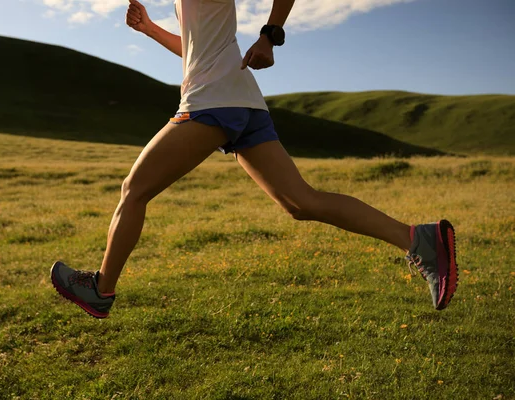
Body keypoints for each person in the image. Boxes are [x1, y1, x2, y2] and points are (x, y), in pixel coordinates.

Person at [50, 0, 458, 318]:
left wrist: (270, 36)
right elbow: (195, 51)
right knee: (302, 202)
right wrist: (150, 28)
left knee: (134, 190)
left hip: (213, 102)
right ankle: (418, 239)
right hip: (240, 100)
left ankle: (101, 290)